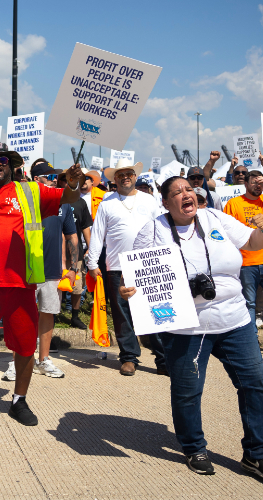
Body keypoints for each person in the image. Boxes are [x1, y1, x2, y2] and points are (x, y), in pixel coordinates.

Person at [120, 176, 263, 478]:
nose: (187, 194)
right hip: (187, 327)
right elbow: (136, 275)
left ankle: (256, 454)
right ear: (166, 202)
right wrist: (130, 289)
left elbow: (251, 241)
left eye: (189, 189)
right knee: (187, 392)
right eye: (177, 192)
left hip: (234, 321)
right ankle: (194, 447)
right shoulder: (154, 230)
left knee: (254, 385)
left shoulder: (214, 217)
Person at [0, 148, 83, 428]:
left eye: (2, 161)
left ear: (12, 166)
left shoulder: (29, 191)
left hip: (21, 284)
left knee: (26, 347)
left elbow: (68, 197)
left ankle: (19, 400)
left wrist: (74, 182)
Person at [87, 160, 167, 377]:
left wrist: (164, 257)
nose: (125, 177)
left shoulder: (149, 200)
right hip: (116, 266)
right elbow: (98, 234)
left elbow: (161, 230)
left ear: (135, 176)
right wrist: (92, 263)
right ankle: (129, 358)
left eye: (129, 174)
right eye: (120, 174)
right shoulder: (106, 202)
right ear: (115, 179)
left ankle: (163, 359)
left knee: (155, 312)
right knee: (122, 314)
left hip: (147, 263)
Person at [29, 161, 77, 378]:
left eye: (56, 177)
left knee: (48, 314)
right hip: (27, 268)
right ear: (37, 179)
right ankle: (19, 360)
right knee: (24, 316)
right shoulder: (25, 199)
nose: (54, 179)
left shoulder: (64, 203)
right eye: (49, 176)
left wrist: (73, 267)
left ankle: (44, 359)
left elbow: (71, 236)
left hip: (53, 270)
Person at [223, 169, 263, 327]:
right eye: (254, 182)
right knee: (249, 304)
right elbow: (226, 233)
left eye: (260, 182)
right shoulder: (233, 203)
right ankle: (252, 340)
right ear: (245, 184)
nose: (258, 185)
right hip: (246, 263)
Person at [57, 172, 92, 330]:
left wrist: (90, 247)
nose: (67, 182)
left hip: (75, 253)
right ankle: (53, 314)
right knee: (55, 285)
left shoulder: (81, 202)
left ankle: (75, 316)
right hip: (54, 253)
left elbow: (85, 226)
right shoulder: (53, 199)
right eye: (64, 180)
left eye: (70, 180)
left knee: (77, 286)